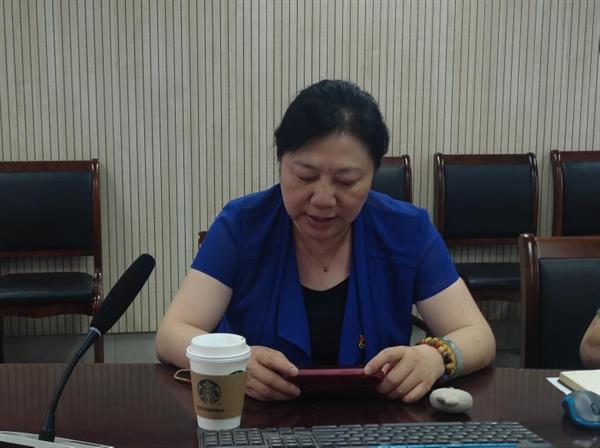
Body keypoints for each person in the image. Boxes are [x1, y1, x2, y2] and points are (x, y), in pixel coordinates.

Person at [156, 79, 495, 402]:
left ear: (372, 175)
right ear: (281, 163)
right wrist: (234, 362)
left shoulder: (407, 231)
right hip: (256, 421)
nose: (322, 199)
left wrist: (435, 357)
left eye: (346, 181)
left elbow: (477, 335)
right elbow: (172, 333)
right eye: (305, 176)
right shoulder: (242, 225)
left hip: (377, 422)